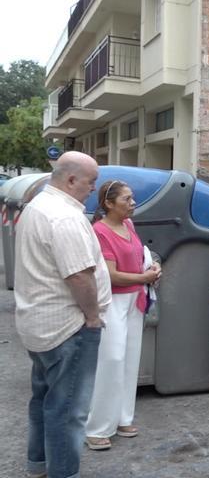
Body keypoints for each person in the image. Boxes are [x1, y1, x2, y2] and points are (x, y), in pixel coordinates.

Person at [14, 151, 112, 478]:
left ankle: (38, 465)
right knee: (68, 412)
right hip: (68, 329)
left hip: (39, 325)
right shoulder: (65, 216)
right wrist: (93, 318)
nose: (94, 189)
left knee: (44, 401)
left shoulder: (36, 206)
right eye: (91, 182)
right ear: (71, 180)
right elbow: (79, 277)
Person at [85, 180, 162, 450]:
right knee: (111, 360)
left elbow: (138, 255)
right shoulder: (100, 231)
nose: (133, 204)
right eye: (127, 199)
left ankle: (122, 418)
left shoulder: (128, 225)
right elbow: (111, 275)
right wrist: (145, 276)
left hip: (135, 300)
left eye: (132, 198)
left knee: (130, 360)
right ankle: (96, 427)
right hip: (113, 302)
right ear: (108, 203)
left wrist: (153, 265)